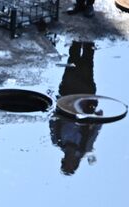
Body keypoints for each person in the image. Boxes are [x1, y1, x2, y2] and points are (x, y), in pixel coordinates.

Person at [49, 41, 99, 175]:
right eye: (71, 164)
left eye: (66, 163)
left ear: (63, 160)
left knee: (73, 59)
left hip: (68, 93)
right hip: (84, 95)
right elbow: (94, 132)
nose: (68, 161)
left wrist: (56, 102)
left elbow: (53, 119)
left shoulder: (58, 140)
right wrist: (99, 117)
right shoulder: (84, 146)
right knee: (87, 61)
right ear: (75, 163)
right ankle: (89, 36)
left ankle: (76, 37)